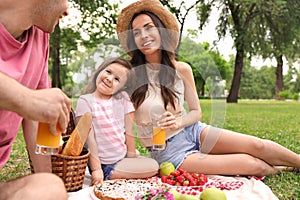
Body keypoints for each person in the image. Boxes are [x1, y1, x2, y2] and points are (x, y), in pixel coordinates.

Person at [116, 0, 300, 177]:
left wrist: (179, 122)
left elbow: (196, 112)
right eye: (136, 33)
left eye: (149, 27)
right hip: (170, 152)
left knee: (258, 146)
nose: (144, 36)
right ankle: (283, 170)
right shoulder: (130, 74)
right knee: (252, 164)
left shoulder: (182, 69)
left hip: (194, 131)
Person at [0, 0, 71, 199]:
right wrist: (26, 99)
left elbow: (36, 119)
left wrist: (46, 178)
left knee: (49, 187)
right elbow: (32, 102)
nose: (67, 10)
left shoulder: (40, 37)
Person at [75, 57, 159, 185]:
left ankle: (129, 165)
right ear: (100, 71)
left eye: (117, 79)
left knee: (147, 162)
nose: (109, 79)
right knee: (153, 166)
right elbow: (88, 140)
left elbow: (129, 132)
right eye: (108, 72)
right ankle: (114, 174)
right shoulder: (85, 101)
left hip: (122, 156)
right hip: (105, 165)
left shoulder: (123, 99)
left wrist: (131, 158)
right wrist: (96, 170)